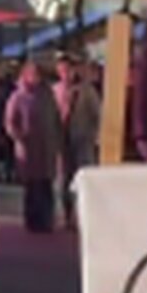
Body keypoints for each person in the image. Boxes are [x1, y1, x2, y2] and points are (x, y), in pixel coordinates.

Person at [5, 60, 61, 233]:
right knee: (32, 185)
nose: (35, 78)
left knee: (46, 184)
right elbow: (10, 122)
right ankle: (33, 220)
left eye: (37, 74)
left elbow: (56, 118)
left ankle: (47, 219)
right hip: (28, 147)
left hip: (47, 146)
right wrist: (19, 137)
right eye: (32, 74)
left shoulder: (48, 94)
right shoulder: (18, 96)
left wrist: (57, 139)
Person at [53, 53, 101, 230]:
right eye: (62, 70)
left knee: (83, 176)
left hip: (82, 140)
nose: (66, 74)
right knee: (64, 178)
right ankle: (67, 215)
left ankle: (84, 213)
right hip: (61, 140)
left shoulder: (87, 91)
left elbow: (98, 114)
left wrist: (94, 136)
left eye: (68, 70)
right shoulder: (55, 91)